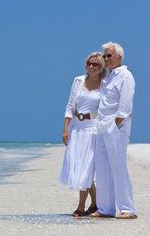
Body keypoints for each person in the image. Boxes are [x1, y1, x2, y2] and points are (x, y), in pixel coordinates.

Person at [90, 41, 138, 219]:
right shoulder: (110, 77)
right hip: (101, 127)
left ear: (119, 57)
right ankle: (105, 209)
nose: (106, 59)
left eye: (109, 55)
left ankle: (128, 209)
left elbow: (125, 107)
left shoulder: (125, 76)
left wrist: (113, 127)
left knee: (118, 168)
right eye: (104, 56)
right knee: (102, 169)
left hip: (115, 128)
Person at [58, 52, 106, 217]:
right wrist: (65, 129)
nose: (91, 67)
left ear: (102, 67)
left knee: (85, 169)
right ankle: (95, 203)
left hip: (93, 130)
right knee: (78, 166)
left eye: (96, 64)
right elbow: (70, 106)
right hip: (76, 129)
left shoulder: (105, 84)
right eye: (89, 64)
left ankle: (80, 206)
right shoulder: (78, 81)